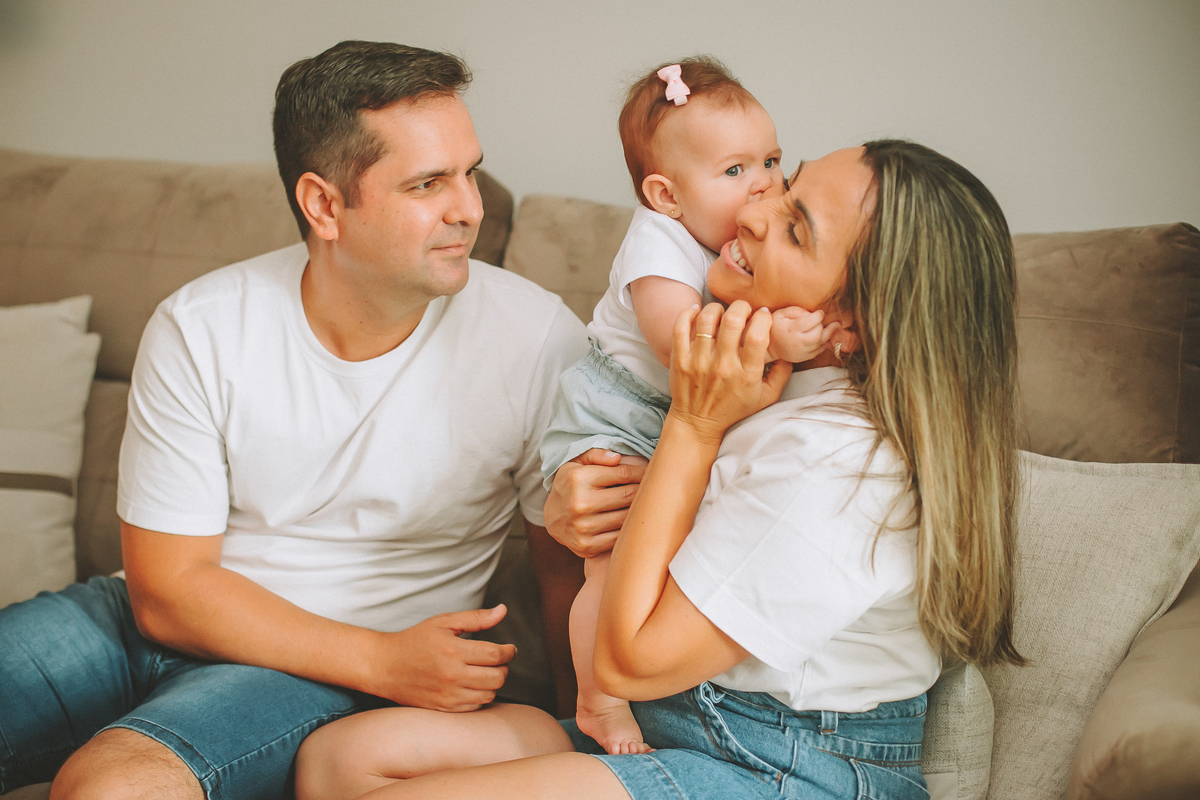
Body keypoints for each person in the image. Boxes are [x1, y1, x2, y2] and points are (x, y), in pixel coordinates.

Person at [295, 140, 1026, 800]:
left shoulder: (839, 466)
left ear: (853, 323)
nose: (755, 210)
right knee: (342, 761)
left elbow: (630, 662)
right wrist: (582, 505)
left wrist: (693, 422)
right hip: (678, 719)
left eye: (796, 227)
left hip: (782, 762)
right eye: (784, 185)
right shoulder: (779, 366)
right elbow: (691, 521)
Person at [0, 40, 588, 800]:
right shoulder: (202, 325)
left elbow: (562, 564)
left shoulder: (537, 338)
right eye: (427, 183)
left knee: (113, 788)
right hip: (150, 625)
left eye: (469, 172)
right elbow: (166, 591)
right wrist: (384, 662)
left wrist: (582, 731)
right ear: (323, 204)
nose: (469, 209)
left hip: (325, 673)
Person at [539, 56, 835, 755]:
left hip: (672, 417)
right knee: (610, 570)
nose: (764, 184)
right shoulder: (657, 243)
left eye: (771, 159)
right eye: (734, 171)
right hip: (614, 412)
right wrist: (777, 336)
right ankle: (597, 698)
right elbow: (685, 350)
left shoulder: (738, 240)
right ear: (666, 195)